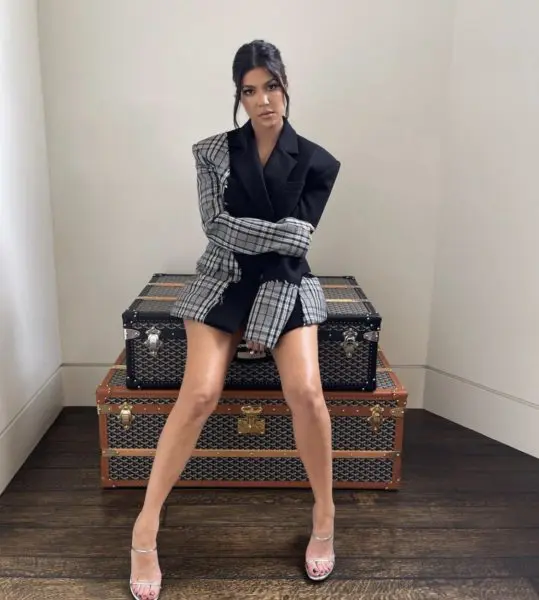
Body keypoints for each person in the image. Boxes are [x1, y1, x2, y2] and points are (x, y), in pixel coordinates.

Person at [129, 39, 341, 600]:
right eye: (250, 91)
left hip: (285, 280)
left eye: (271, 86)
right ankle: (145, 526)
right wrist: (274, 233)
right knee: (199, 394)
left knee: (307, 392)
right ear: (239, 96)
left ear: (285, 85)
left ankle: (324, 514)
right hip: (222, 277)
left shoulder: (319, 162)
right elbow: (215, 228)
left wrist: (259, 233)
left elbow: (299, 241)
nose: (263, 100)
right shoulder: (212, 152)